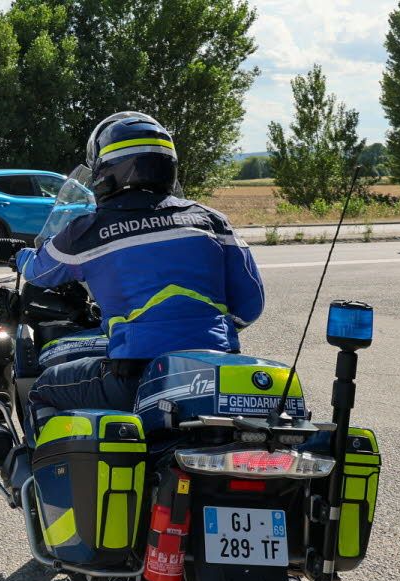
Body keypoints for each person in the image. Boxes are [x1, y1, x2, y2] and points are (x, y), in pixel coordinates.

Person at [14, 112, 265, 422]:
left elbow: (39, 271)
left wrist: (17, 255)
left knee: (42, 390)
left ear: (108, 170)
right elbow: (250, 305)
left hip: (135, 376)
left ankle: (36, 470)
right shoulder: (212, 221)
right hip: (216, 372)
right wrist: (193, 334)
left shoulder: (89, 230)